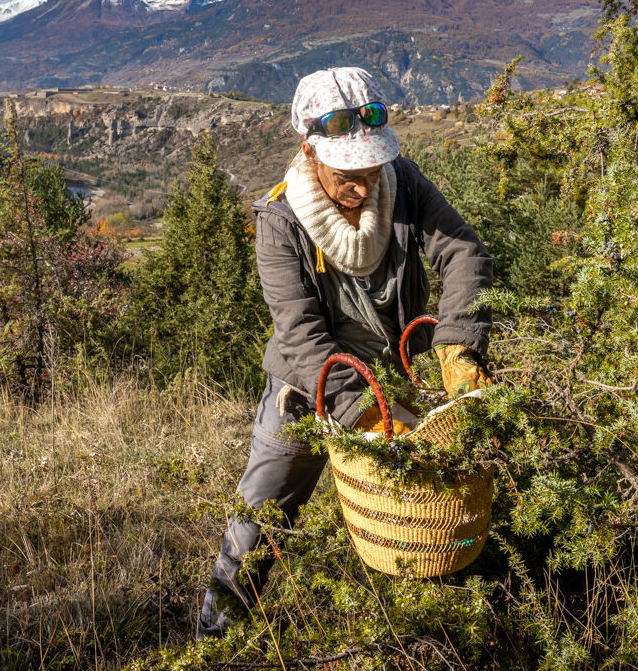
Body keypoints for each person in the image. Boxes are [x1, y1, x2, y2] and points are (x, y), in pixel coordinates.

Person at [196, 66, 493, 638]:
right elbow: (300, 335)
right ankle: (218, 634)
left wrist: (457, 344)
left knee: (417, 510)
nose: (362, 182)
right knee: (262, 513)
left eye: (371, 165)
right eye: (346, 171)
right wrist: (370, 412)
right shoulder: (280, 222)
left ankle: (423, 631)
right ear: (309, 152)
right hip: (308, 391)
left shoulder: (402, 181)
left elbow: (463, 251)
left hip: (392, 377)